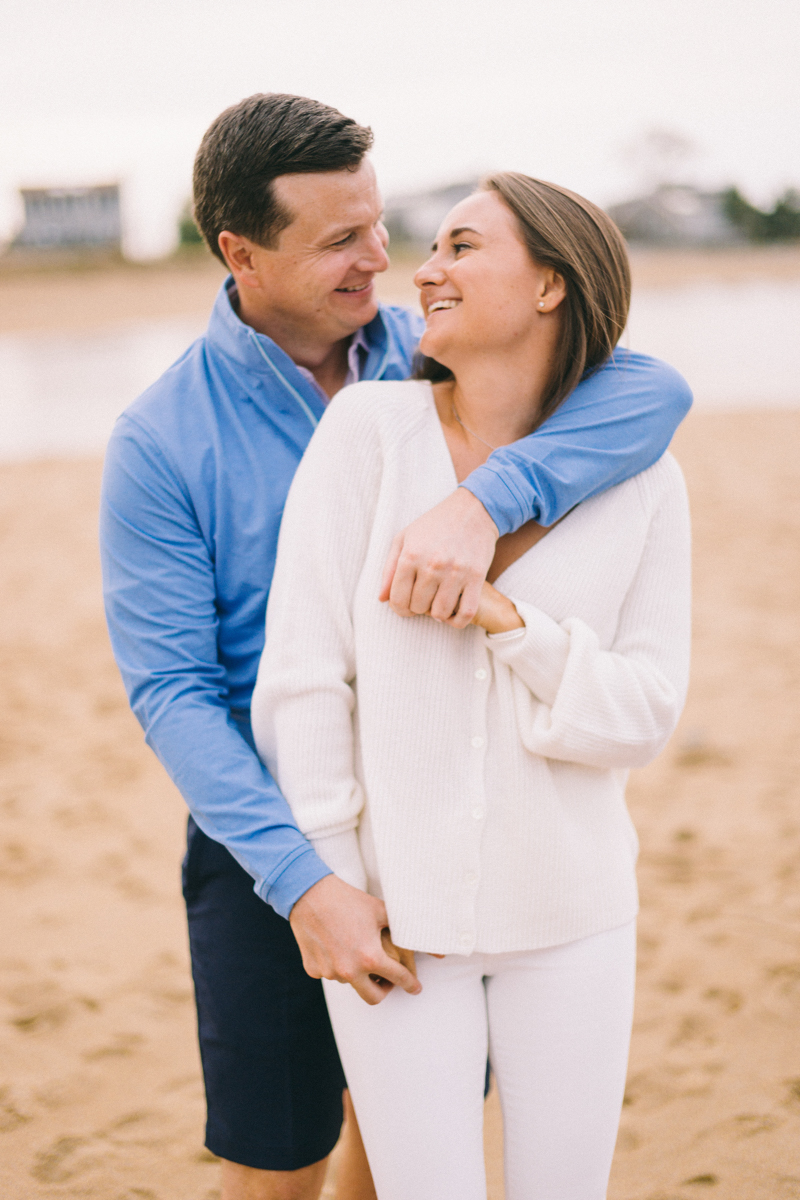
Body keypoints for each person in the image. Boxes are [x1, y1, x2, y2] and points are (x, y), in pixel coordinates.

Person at [99, 90, 691, 1200]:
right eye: (338, 242)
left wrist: (488, 501)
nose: (383, 260)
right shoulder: (162, 439)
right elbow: (177, 692)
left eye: (380, 226)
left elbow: (650, 386)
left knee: (399, 1159)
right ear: (242, 253)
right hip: (262, 833)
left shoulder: (434, 354)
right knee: (277, 1164)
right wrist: (305, 876)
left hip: (441, 835)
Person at [251, 173, 691, 1200]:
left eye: (458, 246)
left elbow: (640, 713)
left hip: (575, 918)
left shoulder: (644, 479)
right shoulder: (366, 432)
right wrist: (334, 877)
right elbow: (304, 682)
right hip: (400, 928)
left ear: (550, 284)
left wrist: (511, 624)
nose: (422, 270)